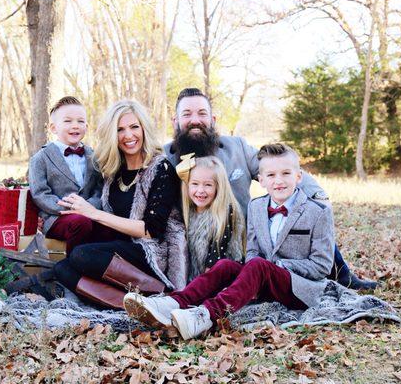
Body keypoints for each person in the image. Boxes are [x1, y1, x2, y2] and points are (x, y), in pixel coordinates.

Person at [163, 88, 377, 291]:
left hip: (244, 234)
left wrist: (317, 197)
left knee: (310, 213)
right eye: (187, 114)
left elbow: (277, 169)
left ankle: (342, 274)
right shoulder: (164, 157)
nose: (195, 120)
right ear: (175, 121)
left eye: (202, 113)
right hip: (194, 239)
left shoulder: (236, 147)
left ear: (213, 119)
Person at [124, 143, 333, 339]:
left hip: (299, 288)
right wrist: (253, 274)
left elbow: (322, 266)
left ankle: (205, 316)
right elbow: (252, 253)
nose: (278, 181)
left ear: (298, 176)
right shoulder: (257, 207)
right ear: (261, 180)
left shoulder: (318, 212)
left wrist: (278, 266)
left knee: (259, 266)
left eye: (286, 173)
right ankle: (174, 302)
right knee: (225, 266)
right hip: (265, 281)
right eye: (271, 175)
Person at [51, 100, 187, 309]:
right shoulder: (114, 172)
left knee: (81, 255)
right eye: (120, 129)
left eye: (134, 127)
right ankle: (134, 306)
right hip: (122, 250)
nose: (128, 135)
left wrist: (93, 213)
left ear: (144, 129)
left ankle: (159, 292)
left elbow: (151, 230)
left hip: (152, 253)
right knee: (62, 268)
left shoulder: (161, 168)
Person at [29, 96, 104, 253]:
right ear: (53, 128)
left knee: (109, 226)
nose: (75, 126)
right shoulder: (41, 158)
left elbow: (99, 188)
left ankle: (102, 269)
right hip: (57, 217)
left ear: (87, 126)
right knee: (81, 223)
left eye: (80, 121)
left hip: (89, 211)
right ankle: (72, 268)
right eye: (68, 121)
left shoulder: (93, 156)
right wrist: (70, 208)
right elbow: (40, 193)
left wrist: (90, 206)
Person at [176, 155, 245, 282]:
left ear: (218, 187)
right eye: (195, 184)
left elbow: (215, 258)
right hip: (192, 280)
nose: (200, 190)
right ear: (187, 186)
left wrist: (199, 288)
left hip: (219, 280)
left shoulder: (226, 211)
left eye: (208, 185)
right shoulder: (187, 211)